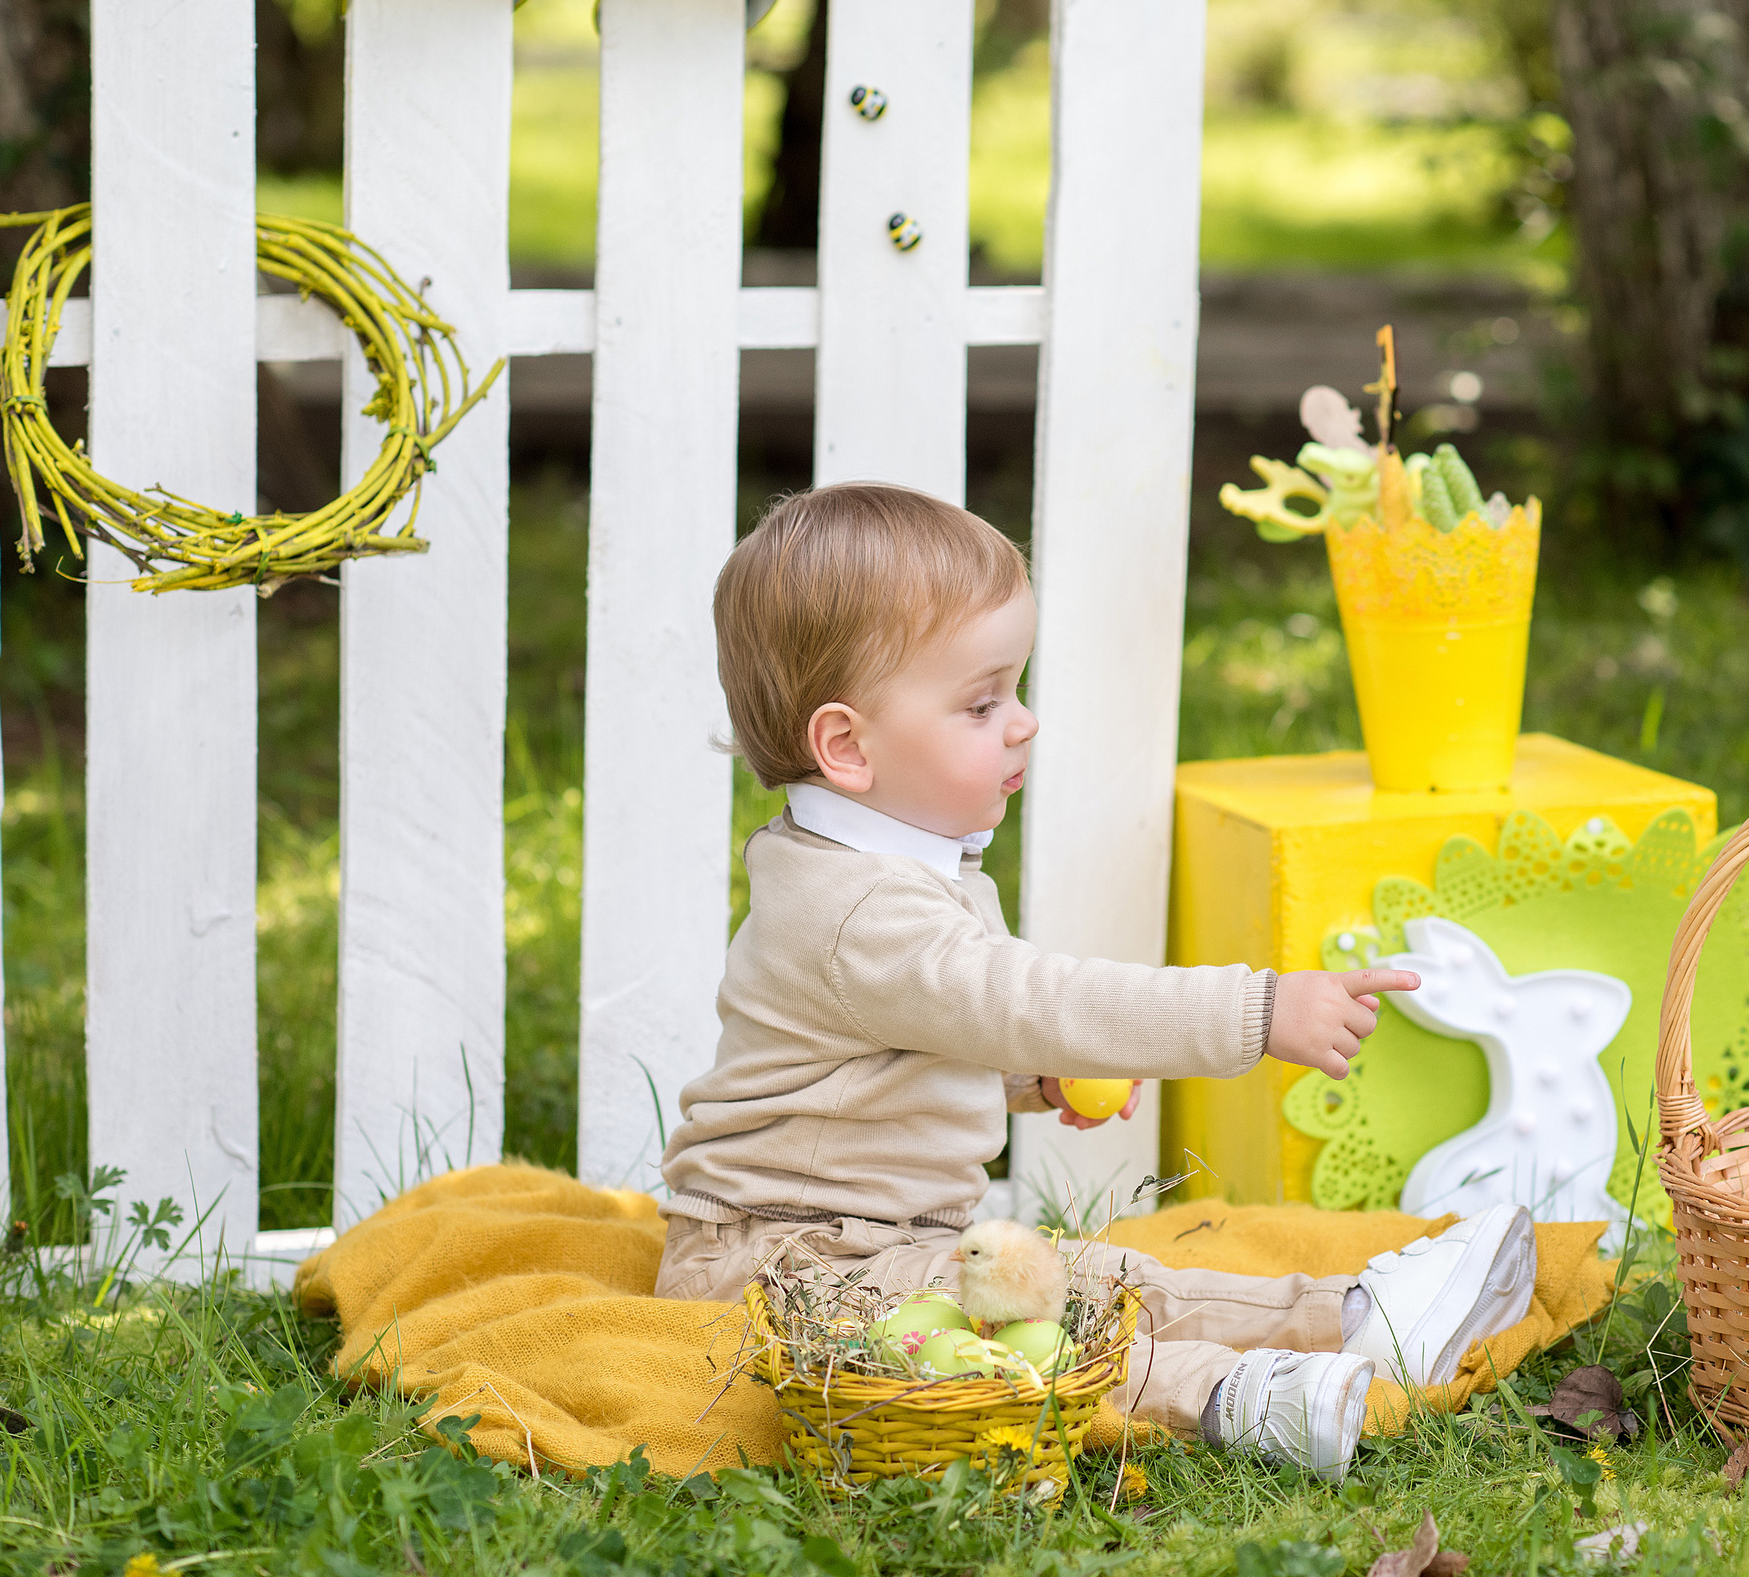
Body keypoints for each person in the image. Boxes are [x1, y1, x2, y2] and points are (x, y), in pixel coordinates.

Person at [653, 482, 1537, 1481]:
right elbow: (1038, 1000)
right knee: (1001, 1337)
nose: (1021, 722)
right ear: (848, 746)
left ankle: (1353, 1316)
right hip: (780, 1267)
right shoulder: (861, 909)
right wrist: (1256, 1008)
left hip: (875, 1239)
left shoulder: (900, 875)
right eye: (982, 701)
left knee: (1097, 1274)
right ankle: (1231, 1393)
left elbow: (886, 1061)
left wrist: (1025, 1083)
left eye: (1014, 690)